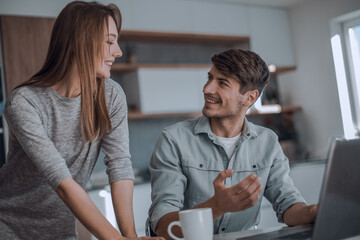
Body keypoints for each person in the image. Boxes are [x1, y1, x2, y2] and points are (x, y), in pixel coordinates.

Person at [0, 2, 163, 240]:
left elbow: (119, 165)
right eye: (109, 42)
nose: (117, 52)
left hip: (61, 230)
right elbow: (62, 182)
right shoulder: (25, 102)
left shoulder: (111, 95)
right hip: (10, 228)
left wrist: (129, 236)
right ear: (80, 42)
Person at [148, 49, 318, 239]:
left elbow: (288, 205)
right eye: (210, 78)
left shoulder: (267, 142)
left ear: (250, 98)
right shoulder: (173, 139)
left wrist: (313, 212)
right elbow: (162, 224)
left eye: (222, 83)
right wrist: (216, 207)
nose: (207, 89)